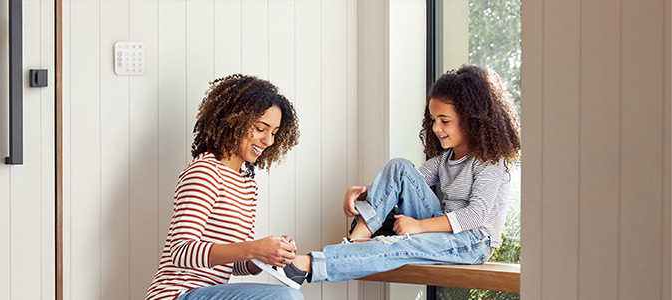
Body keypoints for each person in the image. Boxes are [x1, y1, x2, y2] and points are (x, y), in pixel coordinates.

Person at [256, 65, 521, 286]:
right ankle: (358, 238)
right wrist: (364, 192)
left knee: (398, 245)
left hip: (472, 242)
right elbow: (401, 181)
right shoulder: (444, 158)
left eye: (445, 120)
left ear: (473, 120)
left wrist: (418, 227)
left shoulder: (490, 161)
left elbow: (475, 215)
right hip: (442, 228)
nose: (436, 127)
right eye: (433, 119)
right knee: (400, 166)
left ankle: (306, 266)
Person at [146, 74, 303, 300]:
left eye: (274, 133)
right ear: (235, 121)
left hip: (208, 293)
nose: (268, 141)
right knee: (287, 298)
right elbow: (181, 251)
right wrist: (255, 248)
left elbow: (236, 265)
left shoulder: (248, 186)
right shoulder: (205, 172)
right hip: (176, 295)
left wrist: (266, 256)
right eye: (261, 128)